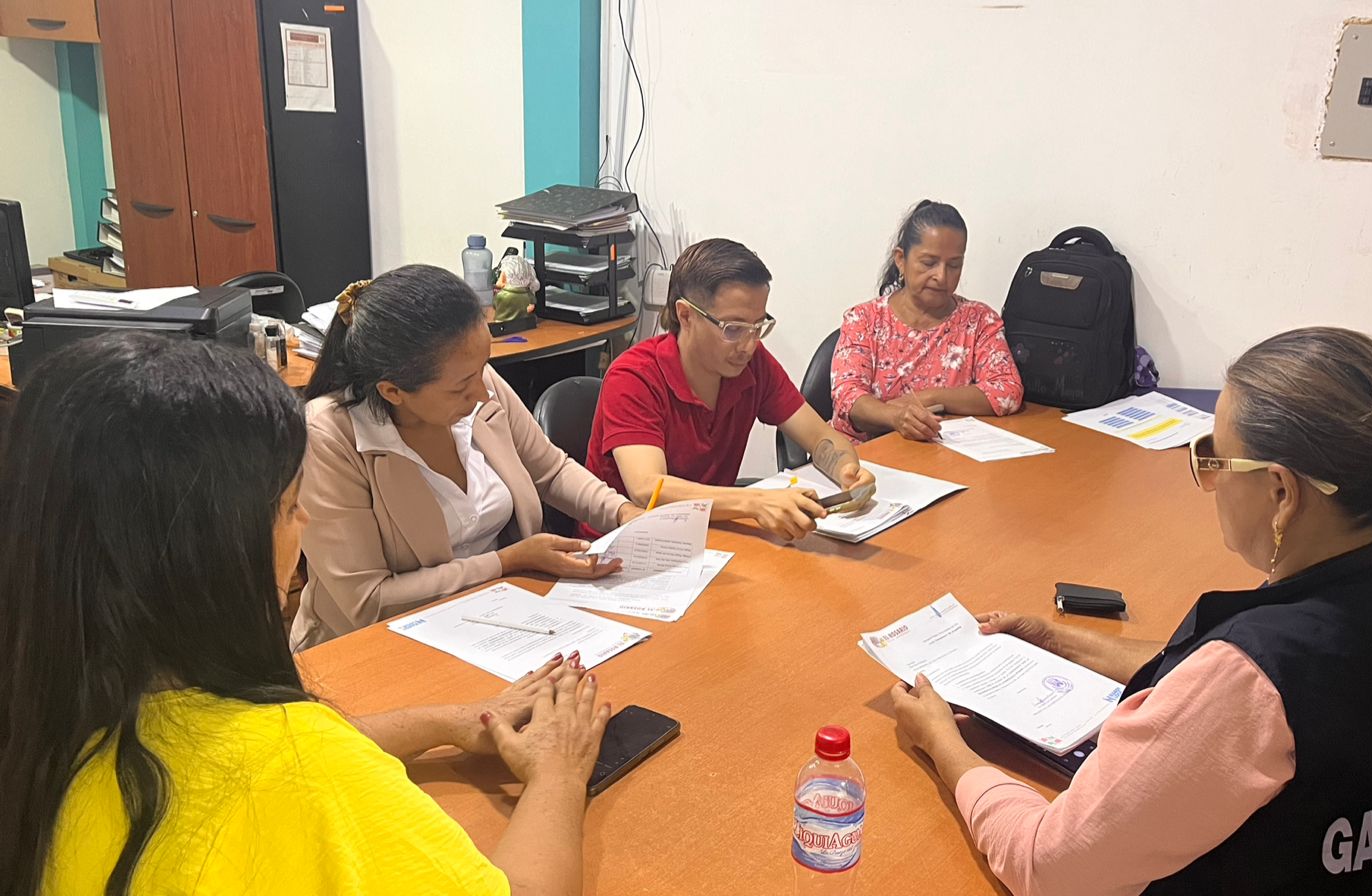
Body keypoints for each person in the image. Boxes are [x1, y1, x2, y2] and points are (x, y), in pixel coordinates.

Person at [0, 333, 611, 896]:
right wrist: (558, 773)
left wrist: (450, 720)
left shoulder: (49, 722)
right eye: (290, 506)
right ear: (216, 549)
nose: (304, 523)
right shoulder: (299, 771)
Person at [891, 327, 1372, 894]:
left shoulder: (1246, 684)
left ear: (1281, 493)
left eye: (1215, 458)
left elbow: (1045, 868)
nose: (1209, 482)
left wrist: (942, 742)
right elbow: (1225, 682)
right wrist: (1057, 639)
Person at [294, 264, 642, 649]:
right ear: (393, 392)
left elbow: (552, 471)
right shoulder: (330, 436)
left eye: (483, 367)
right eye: (461, 387)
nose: (482, 392)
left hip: (499, 620)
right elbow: (368, 602)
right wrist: (507, 562)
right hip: (376, 648)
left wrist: (623, 513)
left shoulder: (475, 381)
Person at [587, 238, 875, 541]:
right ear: (685, 315)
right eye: (733, 329)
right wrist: (754, 502)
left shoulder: (752, 363)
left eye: (758, 327)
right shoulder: (634, 376)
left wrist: (848, 471)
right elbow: (648, 489)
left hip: (710, 534)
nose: (749, 345)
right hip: (624, 544)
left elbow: (820, 437)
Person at [831, 200, 1023, 442]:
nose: (941, 276)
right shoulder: (863, 321)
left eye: (954, 265)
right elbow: (848, 398)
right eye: (929, 263)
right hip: (864, 454)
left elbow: (1007, 390)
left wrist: (930, 398)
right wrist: (896, 417)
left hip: (941, 454)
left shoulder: (979, 321)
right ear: (901, 259)